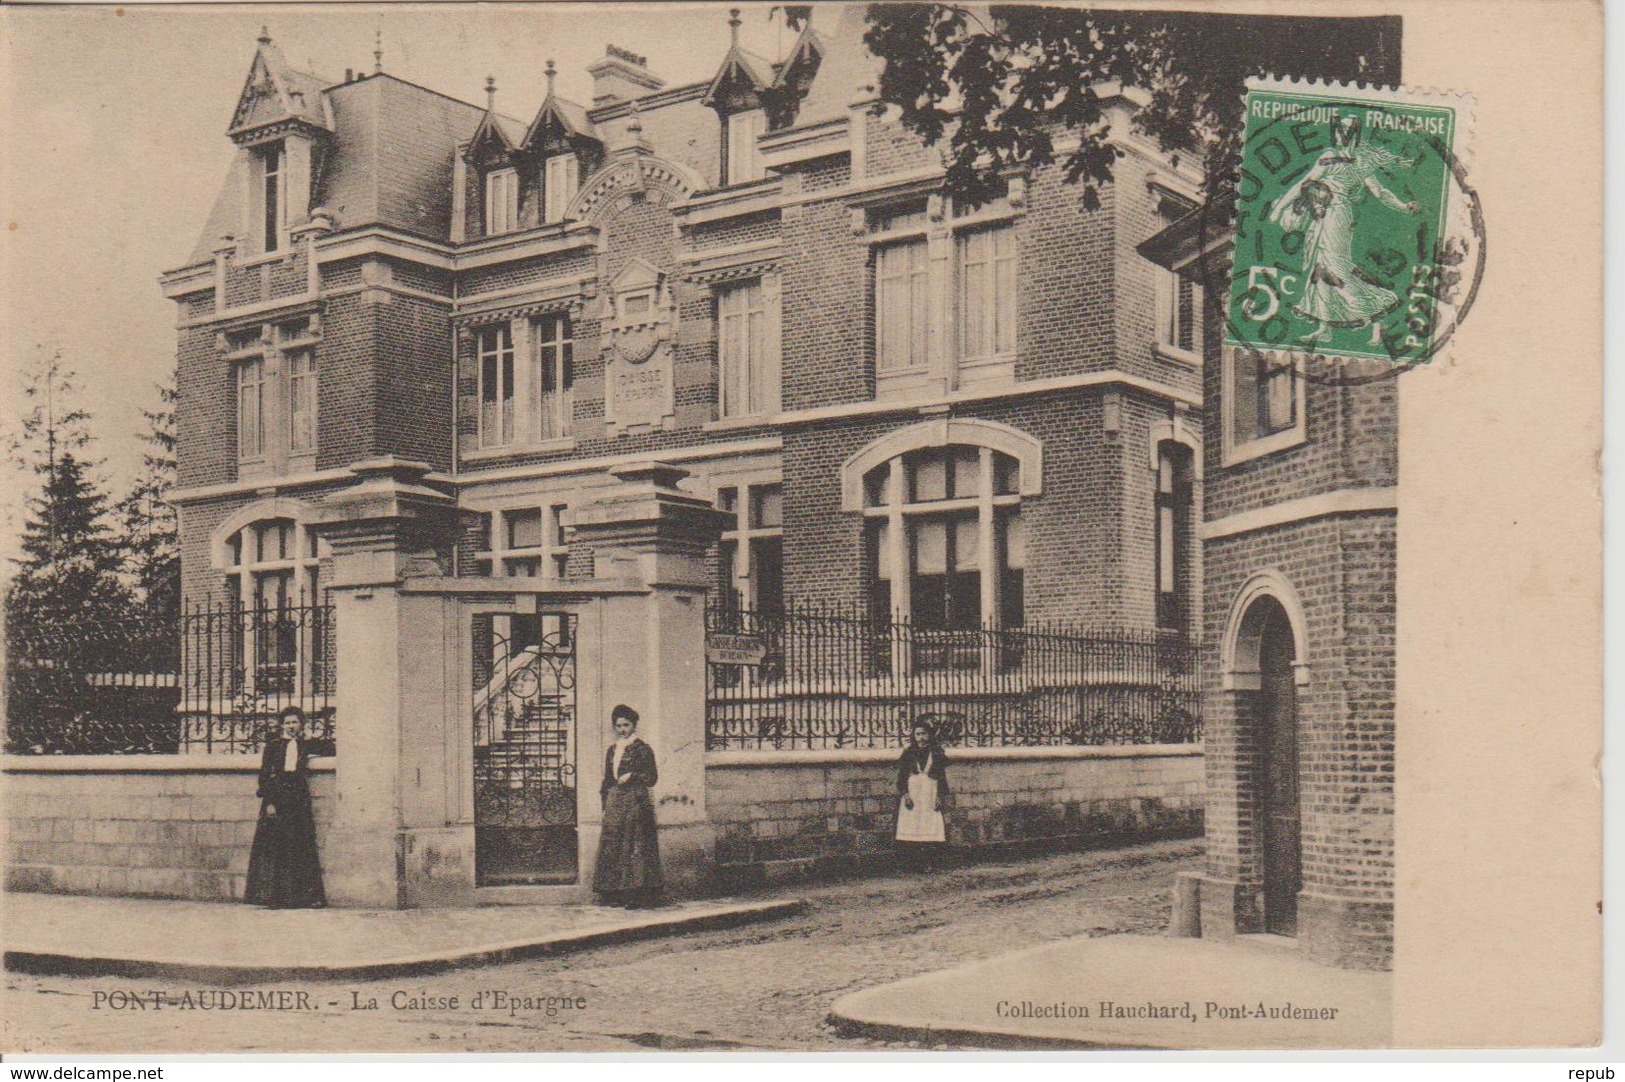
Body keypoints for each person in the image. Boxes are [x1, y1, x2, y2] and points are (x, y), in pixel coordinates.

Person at [1269, 114, 1421, 345]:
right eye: (1340, 128)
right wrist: (1280, 208)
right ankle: (1325, 328)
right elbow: (1305, 184)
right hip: (1324, 215)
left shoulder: (1353, 160)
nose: (1343, 132)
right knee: (1320, 267)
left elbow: (1379, 192)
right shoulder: (1336, 157)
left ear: (1355, 133)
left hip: (1336, 215)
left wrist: (1403, 206)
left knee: (1336, 267)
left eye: (1348, 128)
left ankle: (1378, 309)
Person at [244, 706, 326, 908]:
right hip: (277, 796)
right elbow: (265, 775)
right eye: (288, 722)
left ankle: (303, 897)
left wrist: (312, 739)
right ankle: (274, 897)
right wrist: (270, 802)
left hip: (297, 797)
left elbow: (330, 748)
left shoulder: (305, 744)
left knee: (300, 844)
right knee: (276, 845)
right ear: (282, 725)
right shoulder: (273, 746)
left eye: (295, 722)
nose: (291, 726)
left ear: (301, 725)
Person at [592, 704, 663, 907]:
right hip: (616, 800)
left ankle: (637, 895)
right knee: (613, 844)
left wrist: (633, 775)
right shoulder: (613, 750)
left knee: (634, 844)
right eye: (618, 726)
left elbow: (652, 778)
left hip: (636, 800)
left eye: (626, 725)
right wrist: (605, 804)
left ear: (634, 725)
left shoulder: (643, 749)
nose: (622, 729)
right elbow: (607, 779)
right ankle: (614, 893)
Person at [894, 720, 951, 872]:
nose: (921, 737)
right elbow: (902, 776)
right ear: (914, 736)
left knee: (929, 825)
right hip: (913, 792)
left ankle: (928, 863)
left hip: (930, 792)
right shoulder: (908, 753)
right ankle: (912, 863)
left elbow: (941, 776)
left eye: (924, 734)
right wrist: (905, 795)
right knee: (912, 825)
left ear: (930, 735)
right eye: (918, 734)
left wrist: (939, 796)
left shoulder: (937, 752)